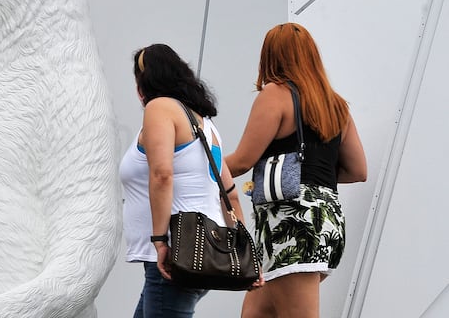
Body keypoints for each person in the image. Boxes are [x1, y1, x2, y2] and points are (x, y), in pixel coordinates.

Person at [225, 23, 367, 318]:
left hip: (291, 225)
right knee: (256, 313)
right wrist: (311, 173)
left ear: (270, 57)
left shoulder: (275, 94)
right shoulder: (336, 105)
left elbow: (241, 161)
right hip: (325, 224)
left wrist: (194, 167)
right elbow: (357, 170)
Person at [119, 44, 255, 318]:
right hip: (197, 252)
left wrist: (159, 241)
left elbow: (162, 175)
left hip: (176, 252)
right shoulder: (205, 125)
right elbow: (229, 193)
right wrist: (245, 253)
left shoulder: (160, 108)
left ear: (144, 81)